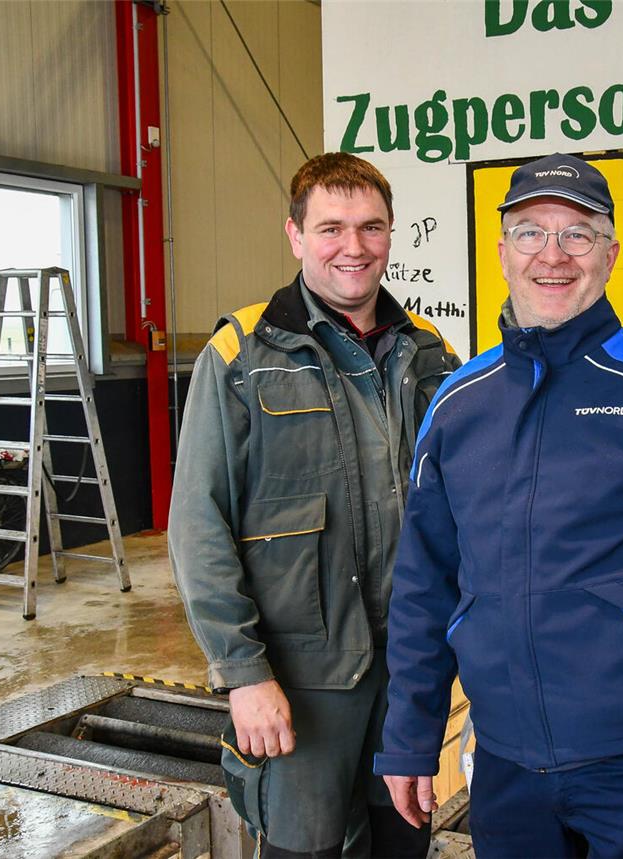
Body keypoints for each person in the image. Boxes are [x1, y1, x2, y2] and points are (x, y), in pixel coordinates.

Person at [374, 153, 623, 859]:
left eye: (578, 234)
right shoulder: (457, 405)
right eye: (530, 232)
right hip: (505, 768)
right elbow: (423, 585)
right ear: (501, 252)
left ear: (612, 253)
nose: (552, 255)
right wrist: (409, 734)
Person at [168, 152, 459, 859]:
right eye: (331, 228)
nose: (353, 247)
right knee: (305, 850)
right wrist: (243, 672)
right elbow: (198, 525)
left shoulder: (432, 355)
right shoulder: (241, 354)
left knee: (401, 841)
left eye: (371, 227)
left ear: (391, 234)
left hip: (411, 671)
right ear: (295, 235)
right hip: (302, 679)